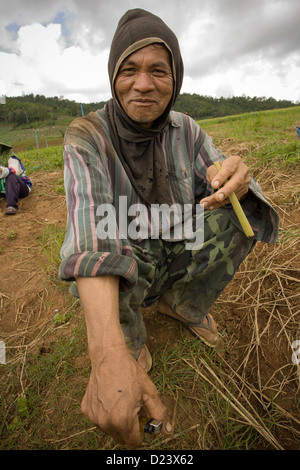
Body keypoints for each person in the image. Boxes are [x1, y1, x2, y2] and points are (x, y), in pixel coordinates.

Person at [59, 9, 279, 449]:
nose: (143, 84)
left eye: (158, 70)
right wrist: (106, 354)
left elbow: (217, 176)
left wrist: (234, 177)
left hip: (174, 243)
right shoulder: (86, 135)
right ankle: (130, 341)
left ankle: (182, 304)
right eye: (129, 70)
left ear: (174, 78)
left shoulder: (187, 130)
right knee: (107, 247)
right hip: (128, 256)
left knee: (243, 207)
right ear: (113, 75)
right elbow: (90, 232)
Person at [0, 142, 32, 214]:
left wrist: (2, 170)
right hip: (4, 191)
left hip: (21, 188)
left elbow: (14, 170)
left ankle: (12, 206)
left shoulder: (11, 157)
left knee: (11, 176)